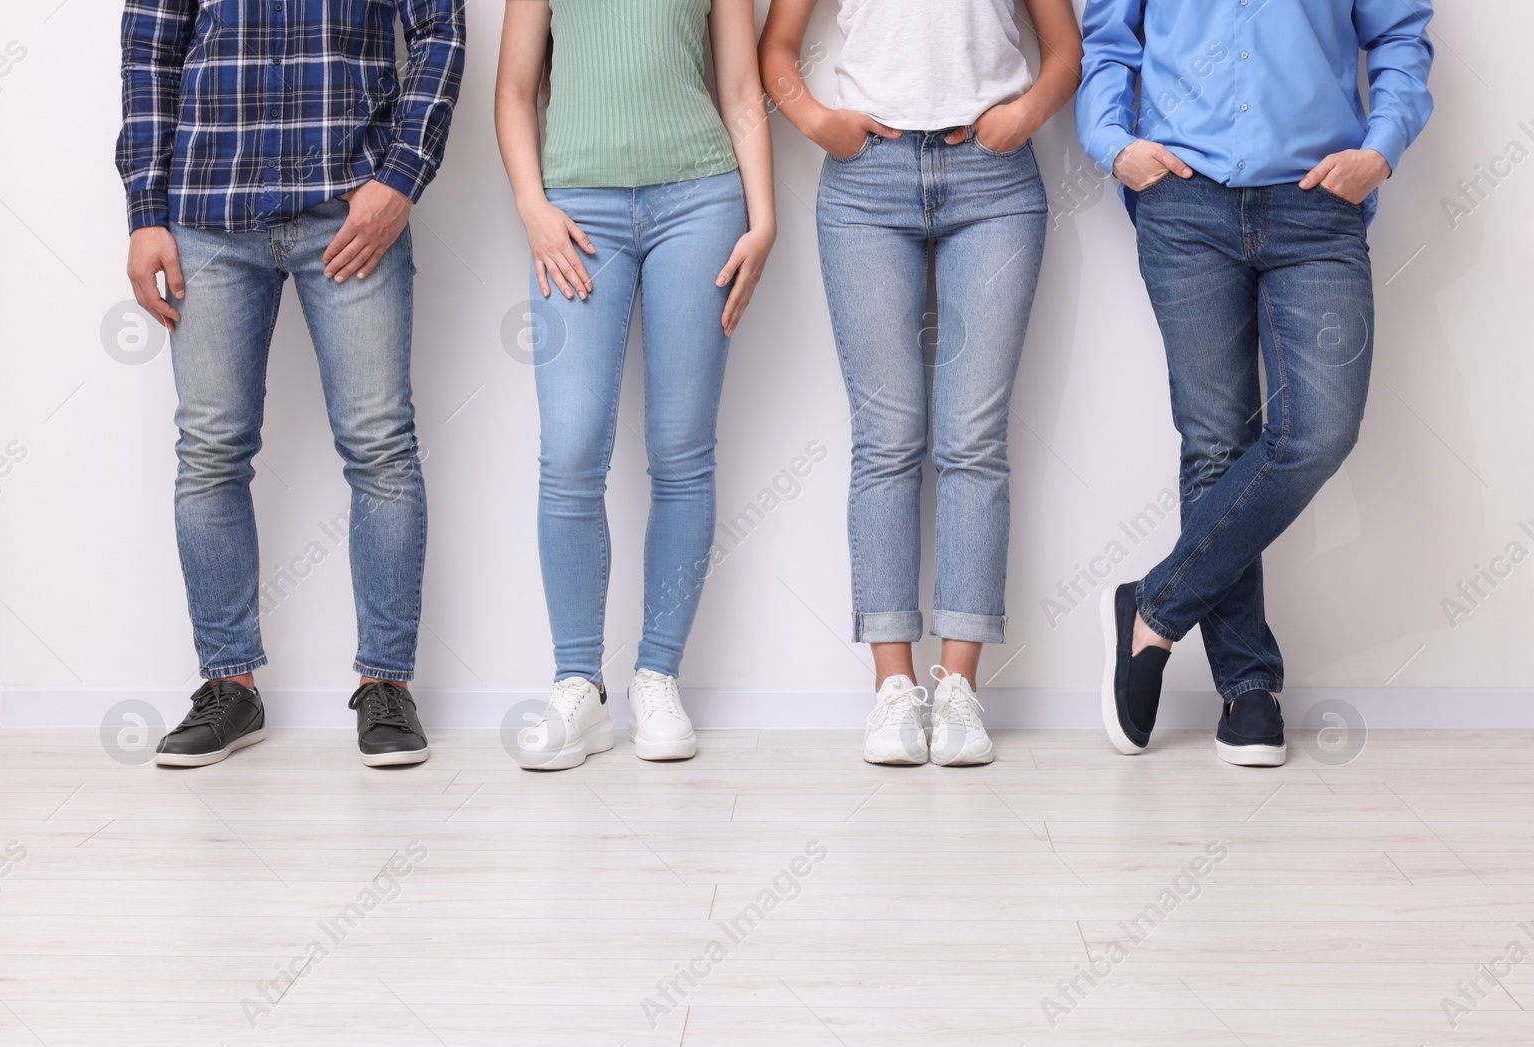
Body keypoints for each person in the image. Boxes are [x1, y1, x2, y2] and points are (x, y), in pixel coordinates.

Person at [1077, 0, 1434, 765]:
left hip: (1318, 204)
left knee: (1320, 429)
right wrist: (1113, 144)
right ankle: (1247, 686)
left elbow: (1400, 37)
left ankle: (1153, 610)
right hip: (1184, 198)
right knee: (1214, 439)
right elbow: (1110, 41)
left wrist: (1382, 149)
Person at [117, 0, 466, 767]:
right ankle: (229, 687)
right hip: (208, 213)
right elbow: (149, 51)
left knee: (379, 444)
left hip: (349, 211)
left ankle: (387, 684)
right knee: (210, 449)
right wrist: (146, 211)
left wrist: (402, 177)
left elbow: (440, 28)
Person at [760, 0, 1082, 765]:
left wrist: (1027, 112)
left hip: (994, 180)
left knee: (974, 440)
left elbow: (1065, 50)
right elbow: (777, 48)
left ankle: (959, 690)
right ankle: (893, 689)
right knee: (887, 440)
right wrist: (815, 119)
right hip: (866, 183)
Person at [494, 0, 776, 770]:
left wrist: (765, 215)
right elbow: (515, 90)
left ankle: (657, 674)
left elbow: (741, 88)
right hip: (577, 212)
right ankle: (578, 684)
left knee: (682, 450)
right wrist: (532, 207)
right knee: (573, 449)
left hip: (703, 201)